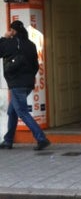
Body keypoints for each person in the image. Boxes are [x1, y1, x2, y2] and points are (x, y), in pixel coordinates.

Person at [0, 20, 50, 151]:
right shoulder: (30, 44)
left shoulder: (10, 43)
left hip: (17, 84)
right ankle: (8, 140)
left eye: (10, 30)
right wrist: (28, 77)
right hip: (28, 83)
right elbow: (35, 65)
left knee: (21, 111)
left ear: (13, 31)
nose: (9, 32)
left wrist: (4, 38)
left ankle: (41, 138)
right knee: (12, 111)